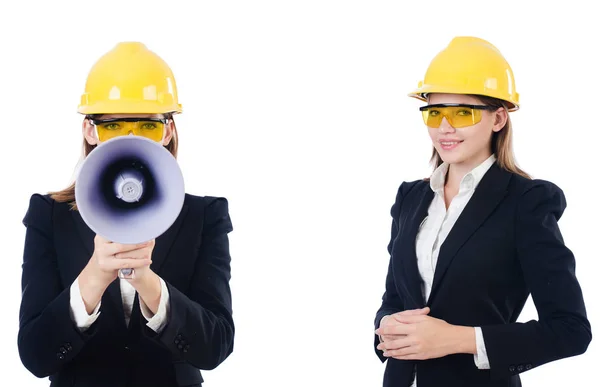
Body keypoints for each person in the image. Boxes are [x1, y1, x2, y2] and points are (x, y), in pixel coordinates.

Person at [373, 36, 592, 387]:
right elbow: (396, 298)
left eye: (462, 112)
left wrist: (458, 339)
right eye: (435, 112)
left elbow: (570, 330)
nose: (445, 127)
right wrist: (384, 326)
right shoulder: (411, 198)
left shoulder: (527, 202)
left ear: (498, 118)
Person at [18, 42, 234, 387]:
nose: (130, 137)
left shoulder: (204, 216)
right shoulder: (50, 216)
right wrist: (94, 276)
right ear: (90, 130)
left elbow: (215, 348)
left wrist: (147, 283)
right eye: (114, 125)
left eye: (148, 124)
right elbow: (35, 355)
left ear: (168, 130)